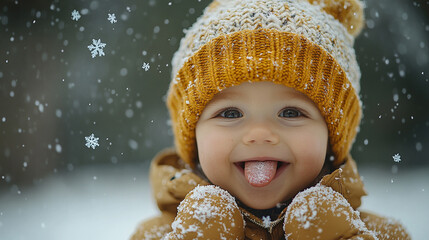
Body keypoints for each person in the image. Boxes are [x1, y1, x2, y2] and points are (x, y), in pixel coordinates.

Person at [131, 0, 410, 239]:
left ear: (333, 134)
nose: (260, 133)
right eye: (230, 113)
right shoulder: (156, 234)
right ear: (192, 137)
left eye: (290, 113)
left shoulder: (378, 233)